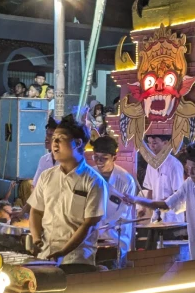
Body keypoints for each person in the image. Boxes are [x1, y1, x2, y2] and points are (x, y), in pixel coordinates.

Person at [27, 115, 107, 274]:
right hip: (46, 256)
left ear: (77, 143)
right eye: (53, 138)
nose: (54, 143)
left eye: (60, 139)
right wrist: (36, 239)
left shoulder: (93, 181)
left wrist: (63, 252)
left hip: (76, 260)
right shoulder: (46, 176)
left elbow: (89, 224)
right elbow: (36, 211)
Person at [91, 136, 137, 266]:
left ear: (114, 158)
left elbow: (123, 211)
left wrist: (103, 226)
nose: (99, 162)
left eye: (104, 158)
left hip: (116, 236)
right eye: (96, 157)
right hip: (93, 237)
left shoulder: (126, 180)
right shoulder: (89, 175)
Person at [141, 135, 185, 223]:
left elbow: (179, 194)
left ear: (165, 143)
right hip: (156, 216)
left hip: (172, 218)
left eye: (155, 143)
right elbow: (150, 189)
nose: (151, 146)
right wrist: (144, 208)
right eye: (149, 143)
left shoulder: (174, 165)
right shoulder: (150, 164)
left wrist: (163, 204)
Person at [32, 117, 59, 188]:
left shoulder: (67, 162)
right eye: (47, 134)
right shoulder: (43, 160)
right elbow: (35, 186)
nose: (46, 137)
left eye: (50, 135)